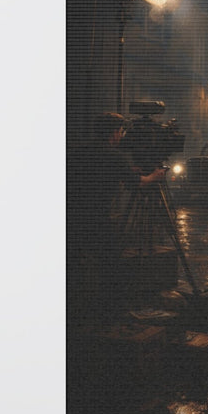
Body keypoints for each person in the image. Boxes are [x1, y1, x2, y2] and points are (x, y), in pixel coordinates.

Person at [67, 112, 167, 323]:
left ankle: (74, 310)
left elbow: (97, 172)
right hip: (97, 220)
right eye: (121, 131)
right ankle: (111, 313)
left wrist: (127, 170)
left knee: (74, 265)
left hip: (72, 217)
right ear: (113, 133)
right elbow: (137, 183)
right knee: (111, 265)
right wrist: (154, 177)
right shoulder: (114, 156)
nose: (122, 136)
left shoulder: (78, 151)